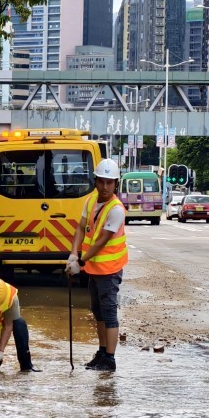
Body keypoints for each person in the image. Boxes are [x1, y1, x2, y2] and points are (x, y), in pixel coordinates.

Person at [66, 158, 129, 372]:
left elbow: (101, 241)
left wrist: (81, 262)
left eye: (109, 183)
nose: (104, 187)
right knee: (97, 311)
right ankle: (102, 352)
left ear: (116, 184)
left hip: (110, 270)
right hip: (94, 269)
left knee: (109, 313)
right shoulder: (91, 201)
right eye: (101, 182)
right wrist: (73, 254)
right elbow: (80, 227)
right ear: (96, 181)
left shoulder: (116, 209)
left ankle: (109, 359)